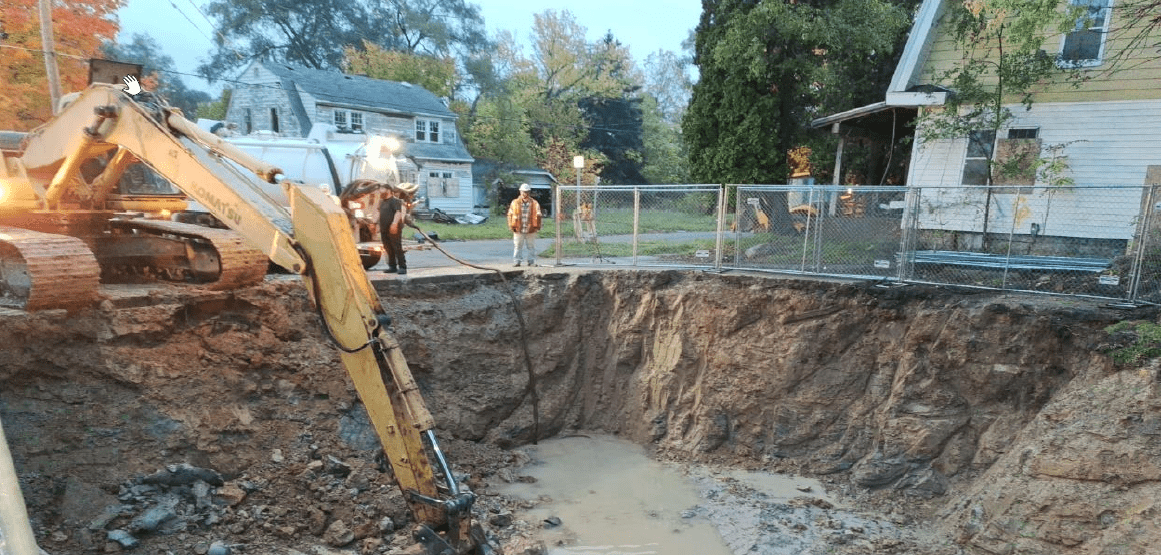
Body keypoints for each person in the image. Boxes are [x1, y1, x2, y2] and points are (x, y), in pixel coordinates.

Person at [507, 183, 542, 267]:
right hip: (518, 228)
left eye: (526, 192)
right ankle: (517, 261)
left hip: (531, 228)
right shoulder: (514, 202)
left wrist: (537, 226)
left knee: (531, 246)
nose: (525, 194)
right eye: (523, 192)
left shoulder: (534, 203)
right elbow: (510, 215)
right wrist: (511, 226)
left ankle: (531, 261)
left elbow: (538, 215)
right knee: (517, 246)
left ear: (529, 192)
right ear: (520, 192)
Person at [379, 184, 408, 274]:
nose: (380, 191)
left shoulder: (395, 201)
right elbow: (379, 213)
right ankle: (392, 266)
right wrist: (374, 223)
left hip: (393, 228)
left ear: (388, 190)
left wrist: (394, 224)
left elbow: (398, 213)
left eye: (382, 188)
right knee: (388, 247)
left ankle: (402, 267)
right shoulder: (382, 202)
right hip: (384, 228)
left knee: (397, 247)